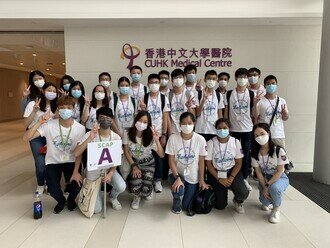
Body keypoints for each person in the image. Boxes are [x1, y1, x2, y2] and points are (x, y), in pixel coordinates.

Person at [23, 96, 85, 214]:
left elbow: (79, 152)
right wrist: (40, 122)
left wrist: (76, 171)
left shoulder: (80, 128)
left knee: (77, 184)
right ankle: (61, 201)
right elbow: (26, 138)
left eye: (68, 107)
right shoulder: (49, 125)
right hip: (53, 162)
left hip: (71, 161)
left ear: (73, 109)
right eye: (62, 107)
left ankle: (71, 200)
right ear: (57, 109)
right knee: (52, 189)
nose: (65, 110)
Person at [73, 107, 126, 212]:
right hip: (93, 173)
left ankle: (112, 197)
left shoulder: (116, 137)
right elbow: (76, 153)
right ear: (97, 119)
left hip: (108, 170)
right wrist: (89, 139)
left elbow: (116, 158)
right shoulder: (90, 134)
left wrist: (111, 173)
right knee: (97, 210)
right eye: (102, 117)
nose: (105, 120)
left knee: (121, 186)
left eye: (108, 117)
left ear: (112, 120)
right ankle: (90, 191)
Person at [166, 112, 208, 214]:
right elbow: (170, 160)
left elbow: (202, 161)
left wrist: (202, 180)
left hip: (193, 175)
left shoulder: (200, 139)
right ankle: (176, 199)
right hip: (176, 173)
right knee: (178, 190)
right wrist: (177, 178)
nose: (187, 126)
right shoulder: (173, 138)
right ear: (179, 124)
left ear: (194, 123)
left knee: (186, 206)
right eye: (184, 123)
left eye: (189, 123)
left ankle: (187, 194)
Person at [205, 118, 249, 213]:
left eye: (225, 128)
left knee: (243, 193)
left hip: (231, 171)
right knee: (220, 206)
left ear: (229, 128)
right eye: (219, 128)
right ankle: (226, 187)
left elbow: (238, 163)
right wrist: (219, 179)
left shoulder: (235, 142)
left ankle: (237, 201)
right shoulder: (211, 143)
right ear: (216, 129)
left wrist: (231, 178)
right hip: (217, 173)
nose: (222, 130)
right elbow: (208, 164)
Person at [123, 111, 164, 209]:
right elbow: (126, 151)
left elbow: (161, 155)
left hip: (148, 163)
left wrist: (157, 140)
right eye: (140, 120)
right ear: (135, 120)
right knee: (136, 182)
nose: (142, 124)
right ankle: (136, 197)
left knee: (146, 190)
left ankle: (148, 190)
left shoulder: (150, 135)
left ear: (148, 124)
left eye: (145, 122)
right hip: (134, 162)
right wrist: (134, 166)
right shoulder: (127, 133)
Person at [23, 82, 58, 194]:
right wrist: (34, 111)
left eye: (54, 91)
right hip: (36, 137)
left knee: (50, 163)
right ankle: (40, 184)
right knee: (40, 164)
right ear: (43, 91)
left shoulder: (56, 106)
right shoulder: (33, 104)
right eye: (49, 90)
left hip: (51, 138)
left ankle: (49, 183)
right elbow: (26, 124)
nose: (51, 93)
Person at [251, 123, 290, 224]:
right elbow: (258, 171)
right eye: (256, 135)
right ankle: (269, 201)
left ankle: (276, 209)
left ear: (268, 133)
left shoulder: (279, 150)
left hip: (279, 177)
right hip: (265, 177)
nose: (259, 137)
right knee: (264, 202)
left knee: (274, 188)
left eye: (262, 134)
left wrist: (267, 186)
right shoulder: (255, 152)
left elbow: (279, 171)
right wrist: (264, 186)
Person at [225, 68, 255, 191]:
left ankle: (244, 178)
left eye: (245, 77)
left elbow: (254, 113)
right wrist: (227, 127)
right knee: (233, 155)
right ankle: (233, 178)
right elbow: (226, 112)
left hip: (248, 129)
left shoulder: (251, 94)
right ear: (235, 78)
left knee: (246, 155)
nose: (242, 79)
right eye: (240, 77)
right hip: (233, 129)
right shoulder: (229, 93)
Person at [140, 73, 170, 193]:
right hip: (145, 134)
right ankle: (146, 179)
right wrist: (142, 109)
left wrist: (164, 135)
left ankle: (157, 180)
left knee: (158, 158)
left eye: (156, 82)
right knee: (145, 157)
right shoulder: (144, 97)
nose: (154, 85)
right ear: (148, 84)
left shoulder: (164, 98)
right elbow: (140, 117)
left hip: (158, 134)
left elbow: (165, 117)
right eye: (152, 83)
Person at [253, 75, 289, 148]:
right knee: (264, 157)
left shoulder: (282, 101)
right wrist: (255, 104)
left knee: (280, 156)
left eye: (273, 83)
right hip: (264, 135)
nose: (271, 85)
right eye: (268, 84)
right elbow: (255, 116)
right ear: (265, 86)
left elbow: (285, 118)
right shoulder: (260, 101)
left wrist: (285, 114)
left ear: (276, 85)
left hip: (278, 134)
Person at [195, 70, 224, 141]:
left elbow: (220, 114)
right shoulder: (198, 94)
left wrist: (221, 128)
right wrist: (203, 101)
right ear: (205, 80)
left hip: (213, 130)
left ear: (216, 81)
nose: (211, 81)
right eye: (209, 78)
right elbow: (197, 113)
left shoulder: (218, 95)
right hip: (200, 130)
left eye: (214, 79)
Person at [168, 69, 196, 134]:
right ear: (172, 80)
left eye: (180, 77)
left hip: (186, 129)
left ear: (184, 79)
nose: (178, 79)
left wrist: (189, 107)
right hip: (173, 130)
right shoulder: (168, 95)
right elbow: (167, 116)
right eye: (175, 78)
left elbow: (193, 115)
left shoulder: (189, 94)